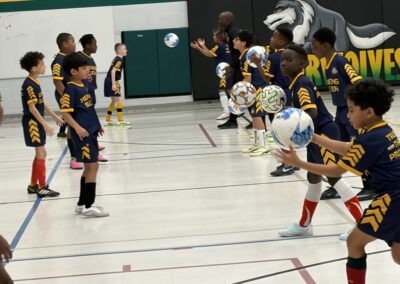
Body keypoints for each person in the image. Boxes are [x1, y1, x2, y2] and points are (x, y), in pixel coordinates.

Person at [276, 79, 399, 284]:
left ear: (368, 112)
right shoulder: (381, 130)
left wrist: (298, 162)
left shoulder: (370, 139)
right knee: (398, 255)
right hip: (395, 197)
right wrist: (314, 138)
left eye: (351, 110)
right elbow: (348, 149)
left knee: (354, 242)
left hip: (392, 200)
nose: (347, 115)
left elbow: (336, 170)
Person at [277, 45, 362, 239]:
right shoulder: (296, 84)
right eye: (282, 60)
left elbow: (311, 112)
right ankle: (304, 225)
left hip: (323, 134)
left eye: (289, 60)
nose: (283, 63)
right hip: (314, 136)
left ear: (303, 63)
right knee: (313, 179)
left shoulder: (302, 83)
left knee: (334, 178)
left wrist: (290, 125)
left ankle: (362, 225)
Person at [312, 27, 375, 201]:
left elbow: (357, 81)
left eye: (315, 45)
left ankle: (370, 186)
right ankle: (337, 184)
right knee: (337, 149)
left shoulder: (340, 61)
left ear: (325, 45)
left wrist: (360, 108)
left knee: (359, 149)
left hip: (351, 112)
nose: (313, 49)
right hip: (340, 112)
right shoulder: (327, 63)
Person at [60, 52, 109, 217]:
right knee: (92, 166)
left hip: (91, 132)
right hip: (83, 135)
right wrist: (77, 128)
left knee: (90, 167)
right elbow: (65, 113)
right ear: (73, 71)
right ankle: (89, 205)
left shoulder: (83, 86)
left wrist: (97, 125)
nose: (87, 70)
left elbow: (88, 109)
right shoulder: (70, 90)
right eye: (83, 68)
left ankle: (82, 204)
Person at [20, 51, 63, 198]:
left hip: (36, 121)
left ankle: (33, 185)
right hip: (33, 123)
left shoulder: (35, 83)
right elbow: (32, 108)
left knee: (40, 153)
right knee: (41, 153)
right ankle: (42, 187)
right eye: (42, 64)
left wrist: (54, 116)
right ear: (34, 68)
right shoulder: (29, 85)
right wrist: (45, 124)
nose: (44, 66)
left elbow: (41, 103)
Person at [234, 30, 269, 157]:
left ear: (243, 42)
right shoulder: (245, 55)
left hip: (257, 89)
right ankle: (256, 144)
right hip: (254, 89)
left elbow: (247, 80)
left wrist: (237, 94)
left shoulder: (246, 57)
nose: (234, 41)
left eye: (236, 39)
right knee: (254, 116)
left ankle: (263, 146)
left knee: (257, 115)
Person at [51, 33, 82, 170]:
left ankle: (86, 150)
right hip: (66, 97)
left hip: (75, 95)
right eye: (72, 41)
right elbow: (57, 82)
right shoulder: (58, 61)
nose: (75, 44)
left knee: (82, 121)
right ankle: (74, 157)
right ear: (64, 44)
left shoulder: (70, 58)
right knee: (72, 125)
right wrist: (66, 98)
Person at [78, 34, 108, 163]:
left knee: (92, 121)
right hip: (84, 93)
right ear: (87, 45)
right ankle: (90, 150)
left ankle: (94, 145)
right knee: (86, 123)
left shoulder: (91, 58)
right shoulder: (80, 58)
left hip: (91, 91)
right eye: (94, 44)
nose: (96, 46)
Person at [190, 28, 233, 120]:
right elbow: (211, 52)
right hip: (229, 70)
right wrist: (203, 46)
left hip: (224, 71)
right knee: (229, 90)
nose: (213, 37)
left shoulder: (218, 45)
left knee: (222, 91)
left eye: (214, 35)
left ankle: (227, 112)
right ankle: (233, 110)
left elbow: (209, 55)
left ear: (219, 37)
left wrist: (198, 47)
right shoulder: (225, 45)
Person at [217, 11, 242, 129]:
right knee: (237, 94)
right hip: (237, 67)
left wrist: (231, 67)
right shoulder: (229, 32)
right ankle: (233, 119)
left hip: (240, 68)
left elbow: (238, 52)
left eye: (220, 19)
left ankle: (233, 120)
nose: (219, 22)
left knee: (238, 93)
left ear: (227, 20)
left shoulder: (233, 32)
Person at [104, 43, 129, 126]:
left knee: (114, 100)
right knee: (119, 100)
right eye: (124, 49)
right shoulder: (119, 60)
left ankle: (107, 119)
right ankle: (120, 120)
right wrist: (114, 84)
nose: (126, 50)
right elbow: (113, 71)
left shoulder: (116, 59)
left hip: (108, 79)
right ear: (119, 50)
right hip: (112, 80)